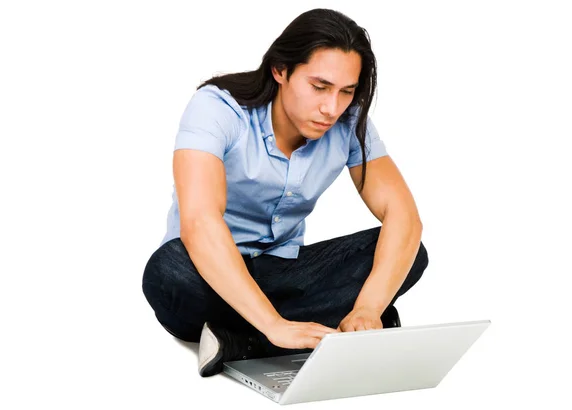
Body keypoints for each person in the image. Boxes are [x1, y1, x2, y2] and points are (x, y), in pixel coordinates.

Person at [142, 8, 429, 378]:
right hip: (207, 271)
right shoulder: (216, 109)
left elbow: (403, 216)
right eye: (319, 87)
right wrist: (274, 323)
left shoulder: (349, 121)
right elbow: (199, 223)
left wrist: (368, 308)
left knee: (408, 251)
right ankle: (296, 328)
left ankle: (241, 341)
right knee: (168, 273)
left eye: (347, 91)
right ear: (281, 70)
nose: (331, 108)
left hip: (286, 272)